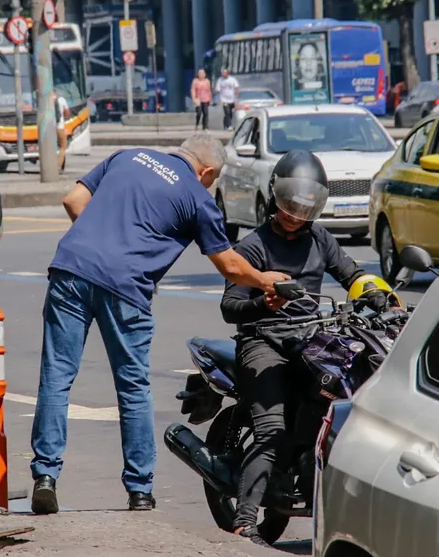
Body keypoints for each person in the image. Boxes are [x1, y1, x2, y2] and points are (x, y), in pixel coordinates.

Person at [30, 134, 290, 516]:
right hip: (126, 287)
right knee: (133, 387)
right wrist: (268, 280)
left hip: (71, 267)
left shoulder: (127, 154)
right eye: (213, 179)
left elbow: (74, 200)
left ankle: (45, 478)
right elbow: (230, 266)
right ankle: (139, 491)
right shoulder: (197, 197)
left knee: (56, 377)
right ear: (209, 171)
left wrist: (103, 244)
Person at [220, 149, 388, 547]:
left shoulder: (320, 239)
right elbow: (231, 308)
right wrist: (264, 301)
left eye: (305, 207)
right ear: (276, 198)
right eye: (290, 205)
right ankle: (244, 521)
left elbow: (353, 273)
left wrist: (382, 296)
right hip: (263, 341)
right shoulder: (252, 247)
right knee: (272, 430)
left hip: (312, 339)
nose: (296, 213)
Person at [54, 91, 70, 172]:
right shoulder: (61, 99)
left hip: (48, 129)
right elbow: (67, 112)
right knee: (62, 147)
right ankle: (58, 166)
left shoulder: (45, 100)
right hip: (59, 127)